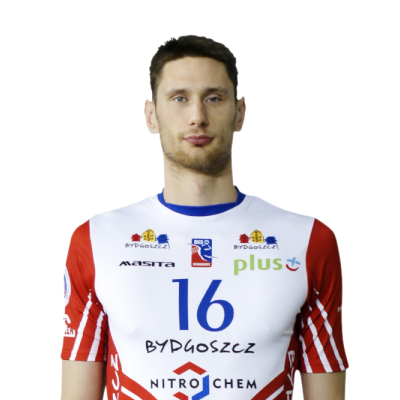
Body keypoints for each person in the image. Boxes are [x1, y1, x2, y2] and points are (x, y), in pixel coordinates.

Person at [60, 34, 349, 400]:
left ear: (240, 113)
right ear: (151, 115)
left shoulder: (308, 240)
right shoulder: (96, 239)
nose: (197, 116)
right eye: (179, 98)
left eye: (214, 98)